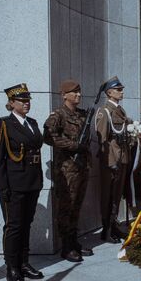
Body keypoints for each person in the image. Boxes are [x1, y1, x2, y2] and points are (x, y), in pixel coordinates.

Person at [0, 84, 44, 281]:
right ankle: (11, 267)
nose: (26, 103)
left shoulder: (32, 122)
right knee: (13, 227)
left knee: (26, 224)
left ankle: (24, 263)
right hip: (14, 184)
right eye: (22, 101)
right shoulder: (3, 124)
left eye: (28, 100)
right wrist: (2, 187)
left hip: (32, 182)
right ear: (11, 103)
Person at [43, 79, 93, 262]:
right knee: (66, 206)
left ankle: (74, 241)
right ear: (64, 95)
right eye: (74, 92)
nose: (78, 95)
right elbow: (48, 137)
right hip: (66, 169)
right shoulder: (58, 115)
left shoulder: (82, 115)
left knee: (77, 205)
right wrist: (73, 145)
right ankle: (66, 246)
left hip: (82, 167)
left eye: (79, 92)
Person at [95, 76, 133, 243]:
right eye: (118, 89)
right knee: (108, 195)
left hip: (122, 159)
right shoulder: (105, 112)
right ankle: (107, 229)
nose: (121, 92)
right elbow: (102, 140)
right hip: (111, 162)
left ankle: (113, 224)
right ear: (109, 92)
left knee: (117, 195)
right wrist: (110, 162)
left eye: (121, 89)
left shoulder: (120, 111)